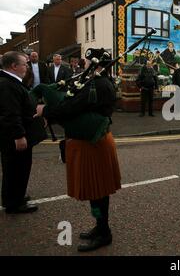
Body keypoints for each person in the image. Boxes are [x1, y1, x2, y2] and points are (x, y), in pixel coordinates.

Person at [35, 59, 121, 252]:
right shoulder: (97, 81)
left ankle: (104, 231)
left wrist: (46, 110)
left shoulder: (97, 84)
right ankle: (100, 226)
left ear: (98, 65)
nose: (87, 65)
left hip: (94, 145)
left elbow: (71, 107)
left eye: (91, 62)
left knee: (98, 191)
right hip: (91, 142)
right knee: (94, 191)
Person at [0, 51, 38, 214]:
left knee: (18, 167)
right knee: (16, 168)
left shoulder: (10, 82)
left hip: (16, 133)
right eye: (24, 64)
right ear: (14, 66)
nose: (27, 67)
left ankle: (16, 196)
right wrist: (19, 136)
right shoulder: (7, 85)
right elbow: (10, 113)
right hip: (14, 137)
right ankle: (14, 203)